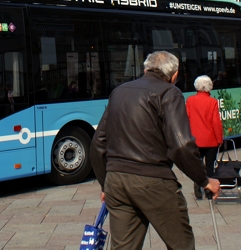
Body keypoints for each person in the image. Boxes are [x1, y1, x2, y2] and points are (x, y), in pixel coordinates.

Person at [90, 51, 220, 250]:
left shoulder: (119, 91)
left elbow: (98, 143)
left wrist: (105, 184)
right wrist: (204, 180)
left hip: (116, 180)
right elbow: (181, 144)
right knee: (181, 244)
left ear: (145, 69)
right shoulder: (169, 92)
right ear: (174, 76)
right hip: (153, 179)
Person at [185, 75, 224, 200]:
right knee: (209, 166)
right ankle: (208, 191)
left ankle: (197, 188)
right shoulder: (212, 102)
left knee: (197, 165)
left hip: (195, 140)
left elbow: (186, 119)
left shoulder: (190, 101)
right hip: (211, 140)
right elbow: (216, 123)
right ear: (209, 87)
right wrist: (219, 139)